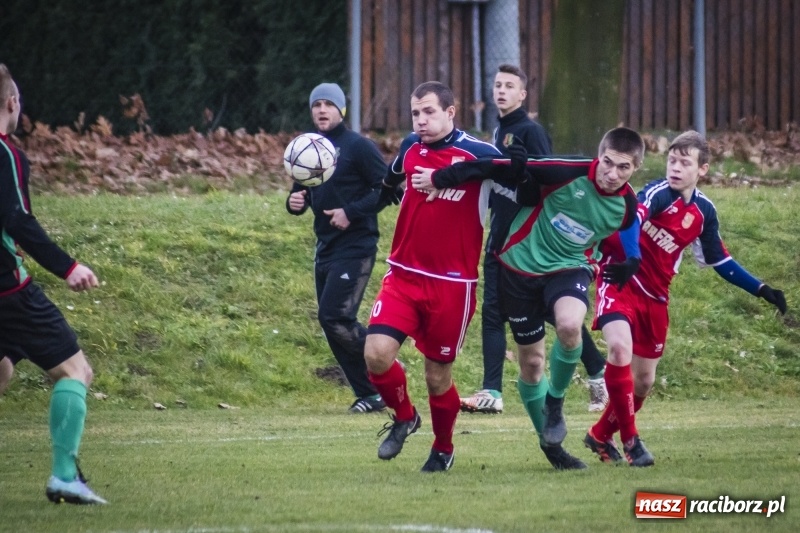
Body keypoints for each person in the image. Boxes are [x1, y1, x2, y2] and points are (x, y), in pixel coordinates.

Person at [584, 130, 787, 467]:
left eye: (684, 163)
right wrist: (630, 258)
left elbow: (719, 259)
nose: (675, 168)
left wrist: (762, 289)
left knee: (644, 382)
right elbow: (632, 218)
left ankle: (599, 435)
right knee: (619, 349)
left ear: (702, 169)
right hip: (620, 280)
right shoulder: (657, 193)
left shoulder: (704, 211)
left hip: (656, 299)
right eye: (672, 160)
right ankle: (632, 441)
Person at [364, 80, 526, 473]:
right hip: (403, 273)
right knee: (376, 354)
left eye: (429, 112)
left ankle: (443, 447)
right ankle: (404, 416)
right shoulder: (409, 148)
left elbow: (522, 184)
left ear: (450, 112)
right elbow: (391, 181)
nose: (420, 120)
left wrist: (518, 166)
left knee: (437, 376)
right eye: (416, 113)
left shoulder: (478, 154)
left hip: (452, 285)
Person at [488, 127, 645, 470]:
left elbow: (628, 230)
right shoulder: (567, 172)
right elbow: (515, 169)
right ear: (598, 155)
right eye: (607, 163)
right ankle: (550, 446)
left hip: (570, 267)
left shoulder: (627, 206)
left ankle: (555, 403)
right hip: (519, 267)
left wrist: (631, 260)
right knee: (531, 364)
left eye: (623, 168)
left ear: (635, 170)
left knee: (570, 325)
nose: (612, 174)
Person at [459, 64, 609, 415]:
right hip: (499, 237)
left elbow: (545, 184)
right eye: (497, 85)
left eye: (509, 86)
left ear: (523, 94)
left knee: (552, 314)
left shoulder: (530, 131)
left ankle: (600, 376)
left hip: (528, 246)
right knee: (493, 312)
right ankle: (492, 391)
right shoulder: (500, 131)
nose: (501, 90)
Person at [0, 63, 106, 504]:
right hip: (8, 291)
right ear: (11, 103)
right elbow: (16, 220)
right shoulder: (6, 153)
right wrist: (68, 267)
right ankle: (65, 475)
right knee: (76, 370)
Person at [286, 82, 389, 414]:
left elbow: (387, 191)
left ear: (341, 109)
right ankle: (370, 394)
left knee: (335, 316)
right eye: (316, 105)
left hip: (357, 245)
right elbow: (299, 192)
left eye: (329, 104)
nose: (321, 110)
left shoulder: (359, 147)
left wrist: (351, 212)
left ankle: (383, 358)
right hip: (325, 247)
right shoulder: (308, 146)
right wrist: (294, 202)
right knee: (330, 322)